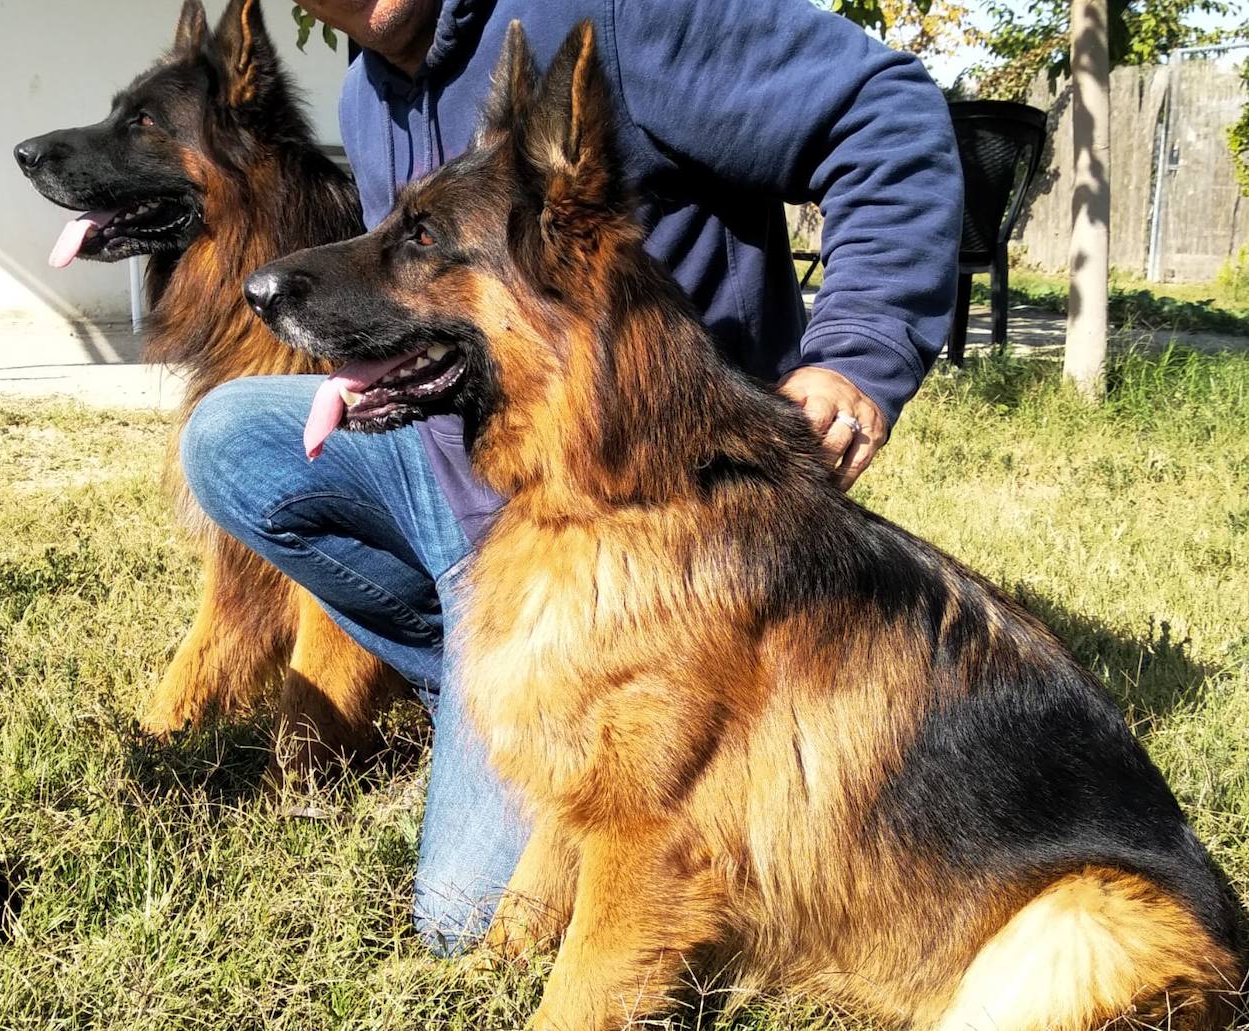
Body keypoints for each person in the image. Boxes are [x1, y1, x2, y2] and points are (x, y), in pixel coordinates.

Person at [181, 0, 963, 955]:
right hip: (484, 502)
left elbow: (883, 107)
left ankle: (557, 687)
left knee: (468, 919)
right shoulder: (364, 95)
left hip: (655, 519)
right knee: (228, 437)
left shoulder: (624, 16)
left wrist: (859, 350)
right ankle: (474, 669)